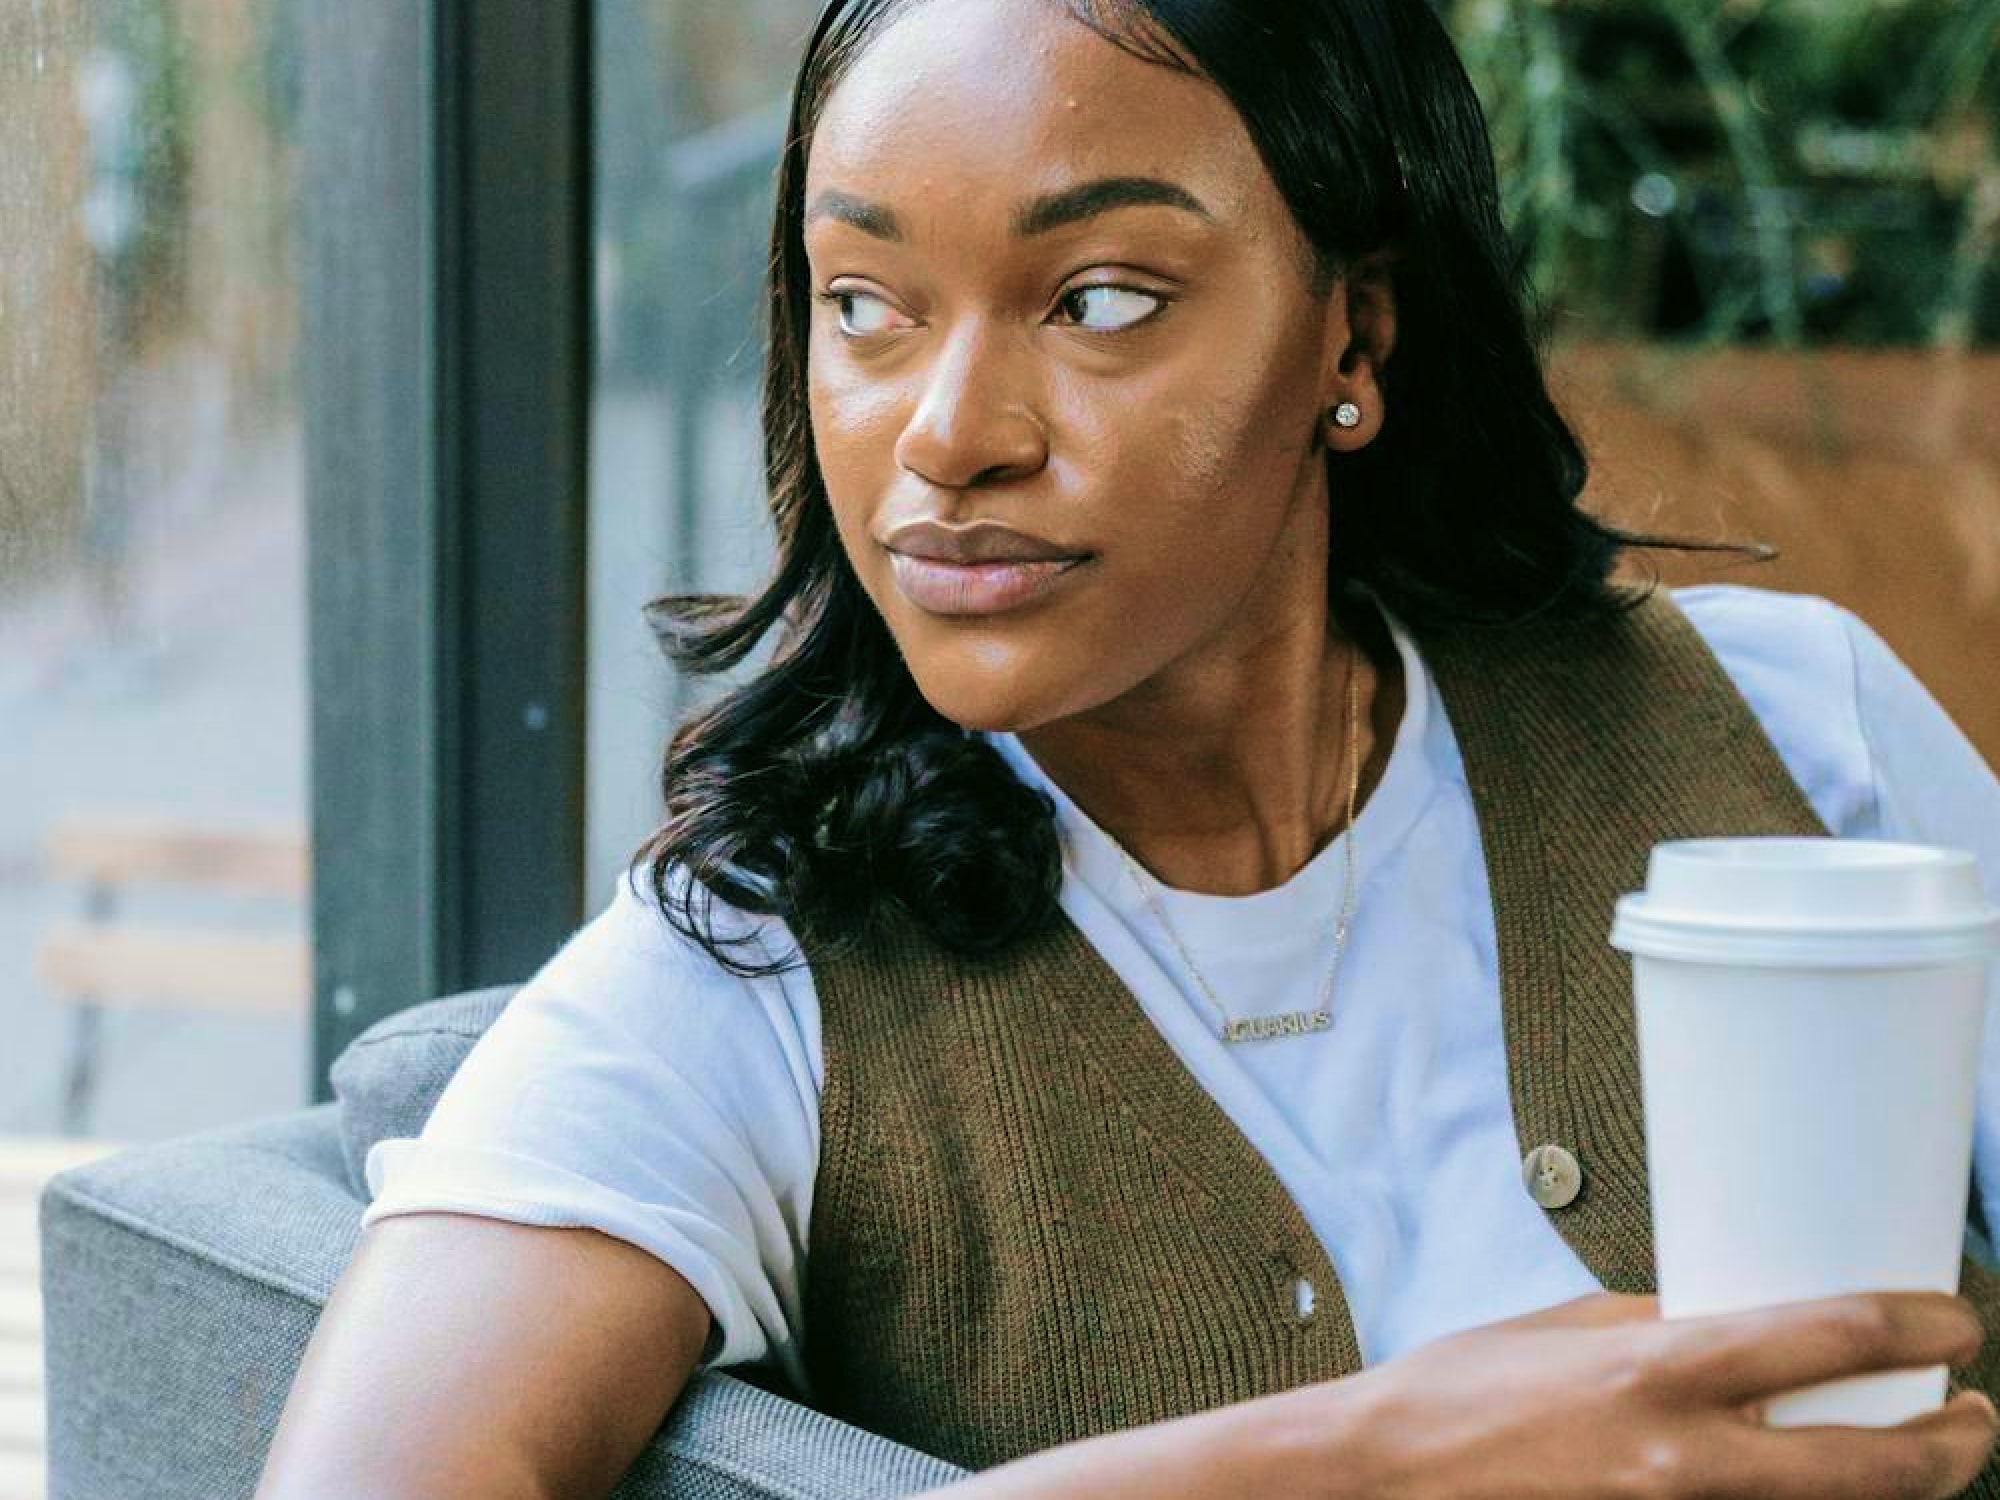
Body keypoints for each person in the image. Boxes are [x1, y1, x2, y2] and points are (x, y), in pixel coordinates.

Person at [255, 2, 2000, 1497]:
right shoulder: (753, 979)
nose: (944, 437)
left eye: (1095, 299)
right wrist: (1374, 1458)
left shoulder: (1792, 731)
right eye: (866, 304)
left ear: (1353, 335)